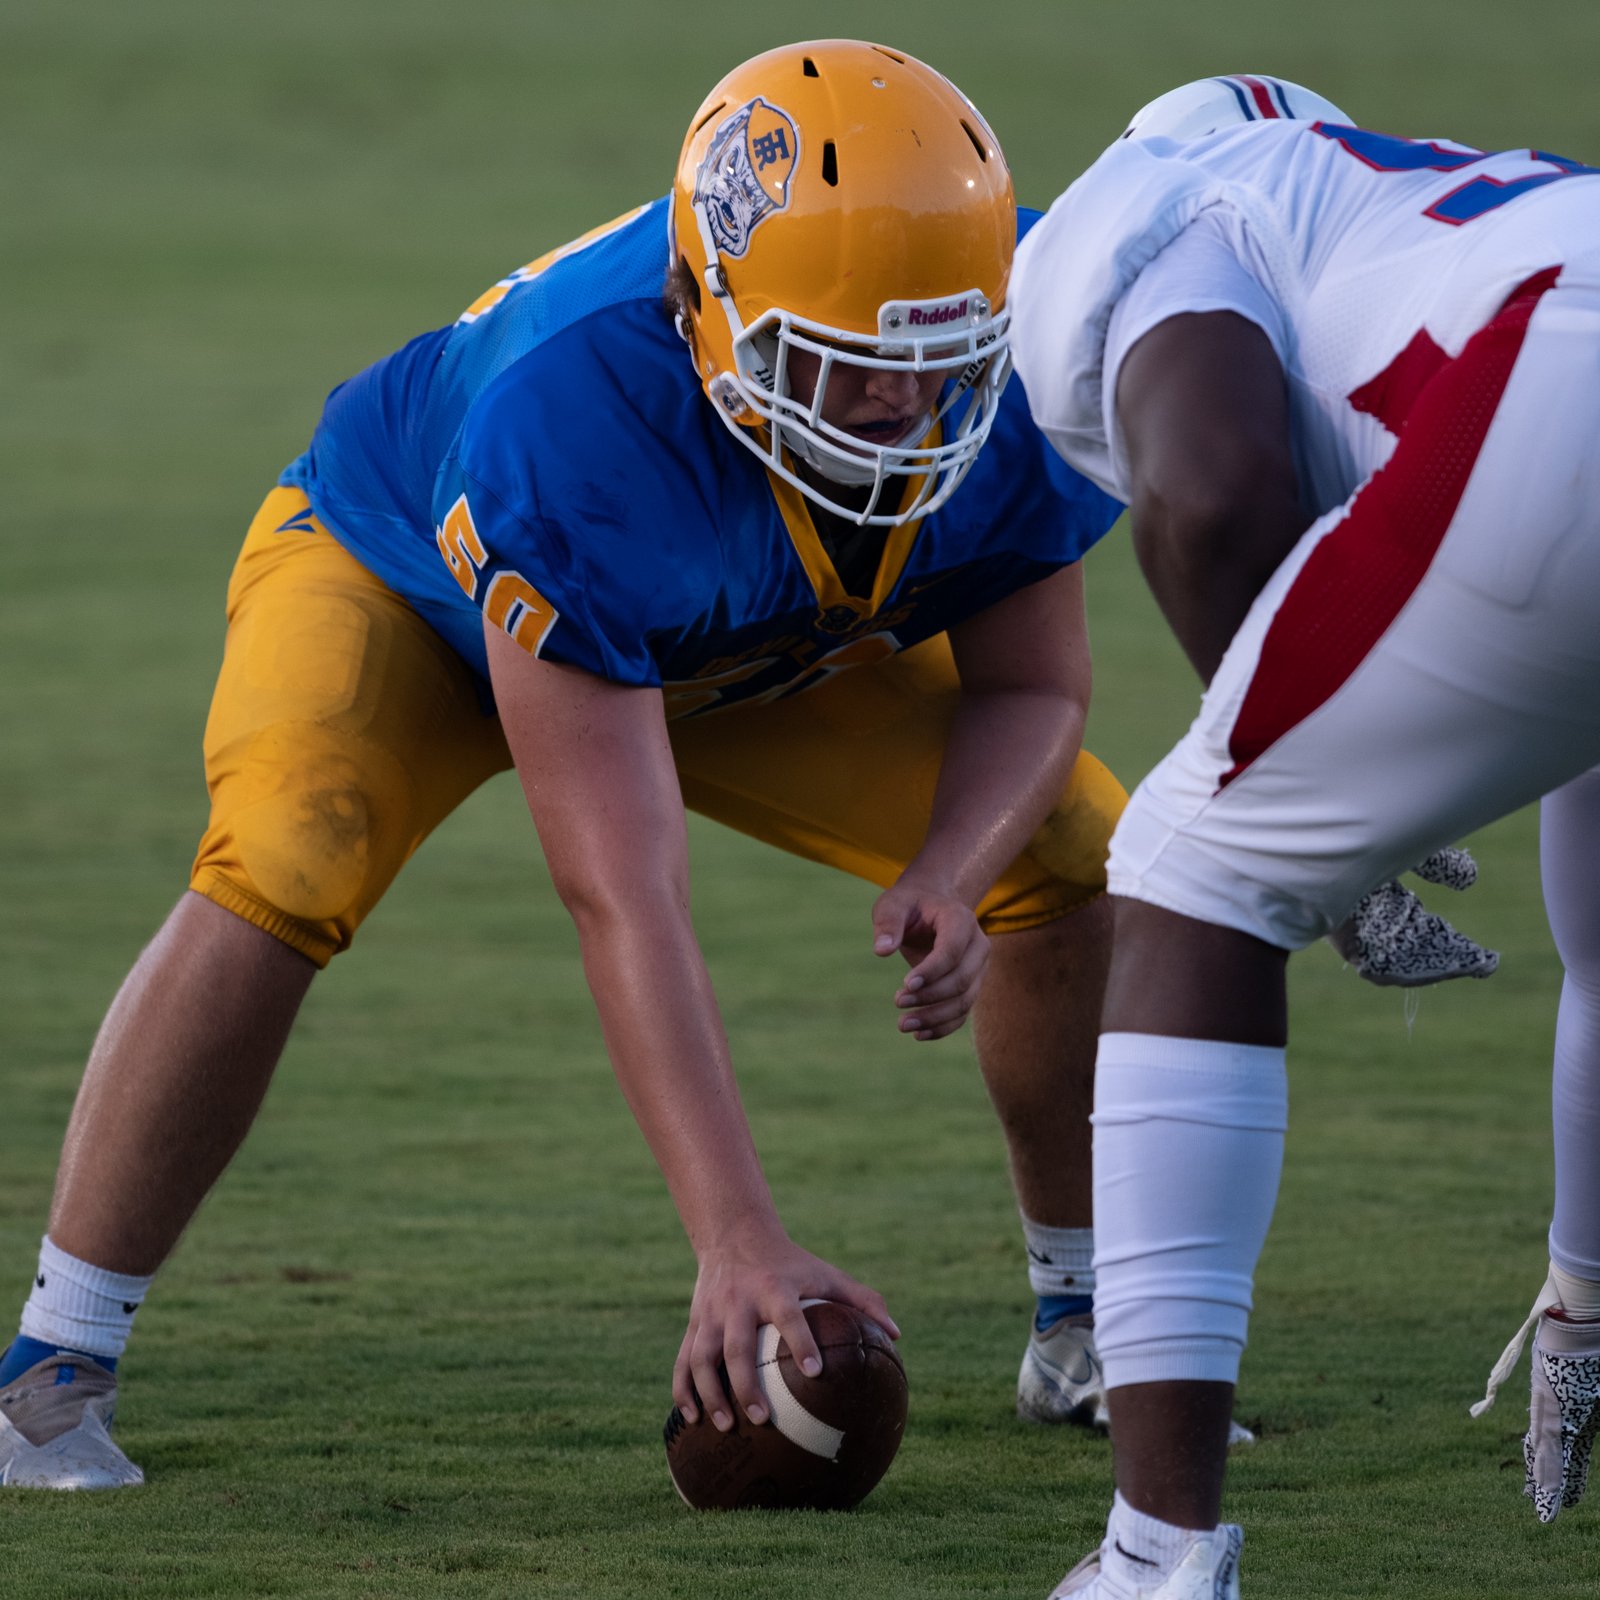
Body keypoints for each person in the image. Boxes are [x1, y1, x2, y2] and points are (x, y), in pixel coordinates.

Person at [0, 40, 1134, 1490]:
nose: (897, 411)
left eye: (934, 364)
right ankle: (52, 1366)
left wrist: (949, 873)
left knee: (1071, 847)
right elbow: (624, 896)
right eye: (843, 365)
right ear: (710, 309)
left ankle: (1082, 1319)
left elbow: (1035, 686)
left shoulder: (1033, 334)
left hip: (715, 633)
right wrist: (734, 1234)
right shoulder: (574, 420)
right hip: (404, 585)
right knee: (291, 850)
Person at [1008, 77, 1600, 1598]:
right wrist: (1585, 1279)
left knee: (1186, 869)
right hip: (1558, 354)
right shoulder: (1413, 205)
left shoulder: (1175, 197)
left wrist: (1307, 856)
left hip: (1552, 400)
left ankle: (1154, 1558)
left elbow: (1209, 497)